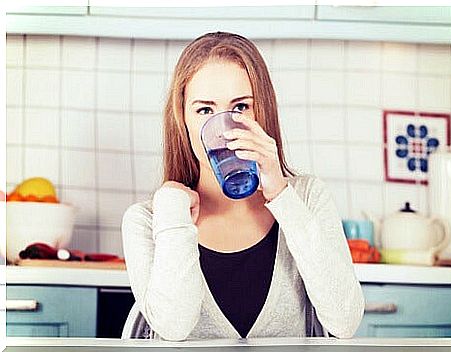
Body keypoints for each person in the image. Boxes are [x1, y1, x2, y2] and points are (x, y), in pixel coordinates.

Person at [121, 31, 364, 341]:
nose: (224, 130)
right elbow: (173, 327)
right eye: (205, 110)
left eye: (240, 108)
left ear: (262, 111)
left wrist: (280, 195)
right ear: (182, 120)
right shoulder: (148, 219)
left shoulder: (306, 197)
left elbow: (344, 322)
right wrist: (172, 213)